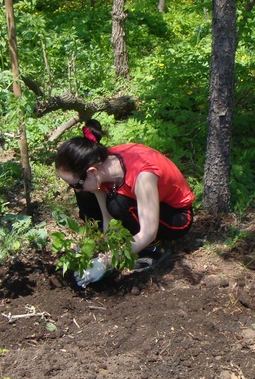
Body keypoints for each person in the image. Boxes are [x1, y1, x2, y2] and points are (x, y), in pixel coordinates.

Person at [56, 120, 195, 287]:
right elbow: (107, 219)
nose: (75, 189)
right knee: (90, 198)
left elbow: (148, 232)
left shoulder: (143, 175)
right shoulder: (101, 165)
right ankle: (130, 246)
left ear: (92, 172)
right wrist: (102, 252)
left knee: (117, 202)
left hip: (176, 216)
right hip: (138, 204)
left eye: (75, 184)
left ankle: (153, 249)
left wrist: (105, 262)